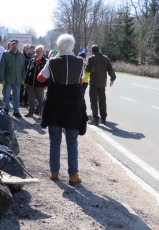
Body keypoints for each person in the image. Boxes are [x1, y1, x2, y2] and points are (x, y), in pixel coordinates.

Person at [37, 33, 87, 185]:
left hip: (55, 105)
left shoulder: (52, 61)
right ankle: (73, 175)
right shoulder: (80, 61)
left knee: (55, 140)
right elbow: (81, 79)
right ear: (72, 46)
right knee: (72, 141)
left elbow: (40, 78)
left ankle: (54, 172)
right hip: (73, 106)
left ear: (58, 47)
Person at [86, 44, 116, 125]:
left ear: (92, 51)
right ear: (99, 50)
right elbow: (110, 70)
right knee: (102, 101)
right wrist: (112, 78)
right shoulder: (106, 58)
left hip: (93, 83)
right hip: (102, 83)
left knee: (94, 101)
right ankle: (103, 118)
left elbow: (87, 70)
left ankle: (95, 119)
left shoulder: (91, 58)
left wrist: (86, 64)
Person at [0, 39, 25, 118]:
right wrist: (2, 78)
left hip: (18, 79)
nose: (14, 46)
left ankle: (16, 111)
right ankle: (6, 110)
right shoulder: (5, 54)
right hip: (8, 79)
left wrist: (23, 79)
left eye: (15, 44)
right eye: (12, 44)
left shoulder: (21, 55)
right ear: (10, 45)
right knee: (6, 95)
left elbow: (23, 68)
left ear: (18, 45)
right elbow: (2, 67)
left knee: (16, 96)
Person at [24, 45, 48, 117]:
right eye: (37, 51)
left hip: (40, 85)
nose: (38, 52)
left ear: (43, 52)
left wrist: (46, 84)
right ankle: (31, 112)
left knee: (40, 100)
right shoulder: (32, 60)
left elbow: (47, 74)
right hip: (30, 84)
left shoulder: (46, 62)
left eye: (40, 51)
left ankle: (41, 114)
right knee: (31, 99)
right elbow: (28, 71)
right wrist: (25, 81)